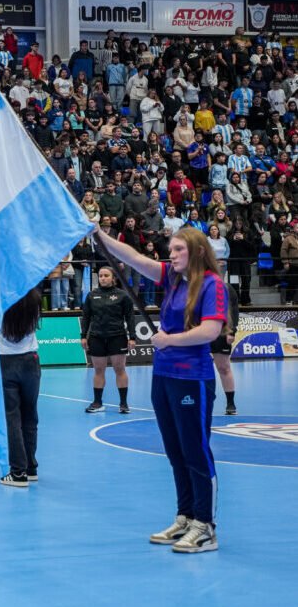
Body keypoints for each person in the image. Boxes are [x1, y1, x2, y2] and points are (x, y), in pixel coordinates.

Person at [94, 227, 226, 553]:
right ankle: (185, 515)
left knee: (195, 450)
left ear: (195, 251)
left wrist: (170, 340)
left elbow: (211, 330)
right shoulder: (173, 278)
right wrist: (100, 236)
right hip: (163, 376)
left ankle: (205, 525)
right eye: (171, 248)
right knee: (175, 451)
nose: (172, 253)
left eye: (178, 249)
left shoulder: (212, 283)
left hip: (191, 378)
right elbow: (135, 259)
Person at [0, 288, 42, 487]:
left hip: (5, 360)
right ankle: (31, 467)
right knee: (30, 414)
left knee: (12, 417)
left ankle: (17, 472)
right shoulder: (33, 296)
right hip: (30, 359)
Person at [81, 266, 136, 414]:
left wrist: (132, 337)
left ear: (113, 278)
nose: (103, 278)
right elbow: (86, 317)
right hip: (96, 337)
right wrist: (83, 336)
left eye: (106, 275)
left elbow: (130, 317)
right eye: (100, 276)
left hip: (117, 337)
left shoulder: (123, 296)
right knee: (99, 370)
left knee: (120, 369)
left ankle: (123, 404)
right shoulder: (92, 296)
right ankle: (98, 403)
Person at [210, 283, 239, 416]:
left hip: (221, 330)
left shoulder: (226, 288)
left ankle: (230, 403)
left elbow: (233, 309)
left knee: (224, 367)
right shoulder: (193, 285)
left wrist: (232, 330)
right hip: (198, 330)